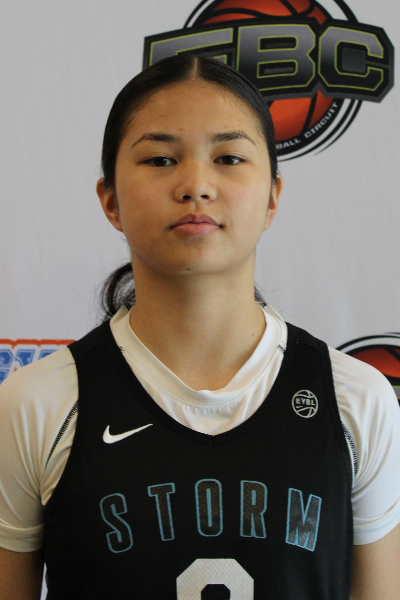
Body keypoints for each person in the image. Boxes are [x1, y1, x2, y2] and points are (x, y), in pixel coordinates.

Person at [0, 54, 399, 600]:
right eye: (160, 159)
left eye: (229, 157)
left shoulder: (355, 401)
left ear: (273, 197)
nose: (195, 185)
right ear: (110, 200)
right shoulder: (37, 405)